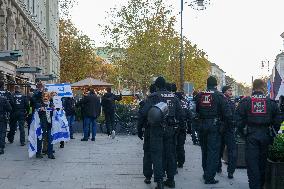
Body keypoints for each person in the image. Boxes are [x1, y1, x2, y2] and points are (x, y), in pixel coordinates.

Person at [138, 77, 183, 189]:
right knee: (170, 154)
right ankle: (171, 180)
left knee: (157, 154)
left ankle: (159, 182)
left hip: (157, 129)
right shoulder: (174, 97)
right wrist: (179, 128)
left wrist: (139, 129)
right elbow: (181, 114)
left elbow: (143, 113)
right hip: (171, 129)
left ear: (157, 86)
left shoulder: (154, 97)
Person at [236, 79, 280, 189]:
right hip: (265, 135)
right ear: (263, 88)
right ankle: (259, 185)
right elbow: (278, 120)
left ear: (253, 87)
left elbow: (238, 120)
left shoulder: (245, 102)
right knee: (262, 162)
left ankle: (254, 186)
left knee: (252, 163)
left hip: (251, 135)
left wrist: (243, 134)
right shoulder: (271, 102)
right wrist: (272, 134)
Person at [195, 76, 233, 184]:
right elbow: (227, 113)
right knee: (213, 151)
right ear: (216, 85)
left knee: (204, 150)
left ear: (207, 84)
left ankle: (206, 172)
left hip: (202, 125)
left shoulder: (200, 95)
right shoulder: (219, 96)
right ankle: (209, 177)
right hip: (214, 126)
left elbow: (196, 110)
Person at [137, 84, 156, 185]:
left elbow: (142, 115)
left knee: (148, 153)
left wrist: (139, 130)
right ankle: (160, 177)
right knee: (159, 153)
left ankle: (148, 176)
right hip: (163, 131)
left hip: (149, 130)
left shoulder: (149, 100)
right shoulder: (166, 99)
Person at [217, 86, 237, 179]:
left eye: (231, 90)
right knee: (219, 150)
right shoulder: (221, 101)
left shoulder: (231, 102)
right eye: (229, 90)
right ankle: (218, 167)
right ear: (224, 91)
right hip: (222, 129)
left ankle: (230, 171)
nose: (231, 92)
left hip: (228, 129)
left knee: (232, 151)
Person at [175, 92, 191, 168]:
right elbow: (190, 115)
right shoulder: (185, 104)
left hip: (175, 126)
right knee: (181, 145)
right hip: (183, 127)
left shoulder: (174, 103)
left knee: (174, 145)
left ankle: (174, 162)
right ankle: (181, 162)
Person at [0, 90, 12, 154]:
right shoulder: (3, 99)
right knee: (2, 133)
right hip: (2, 118)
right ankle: (1, 148)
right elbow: (9, 108)